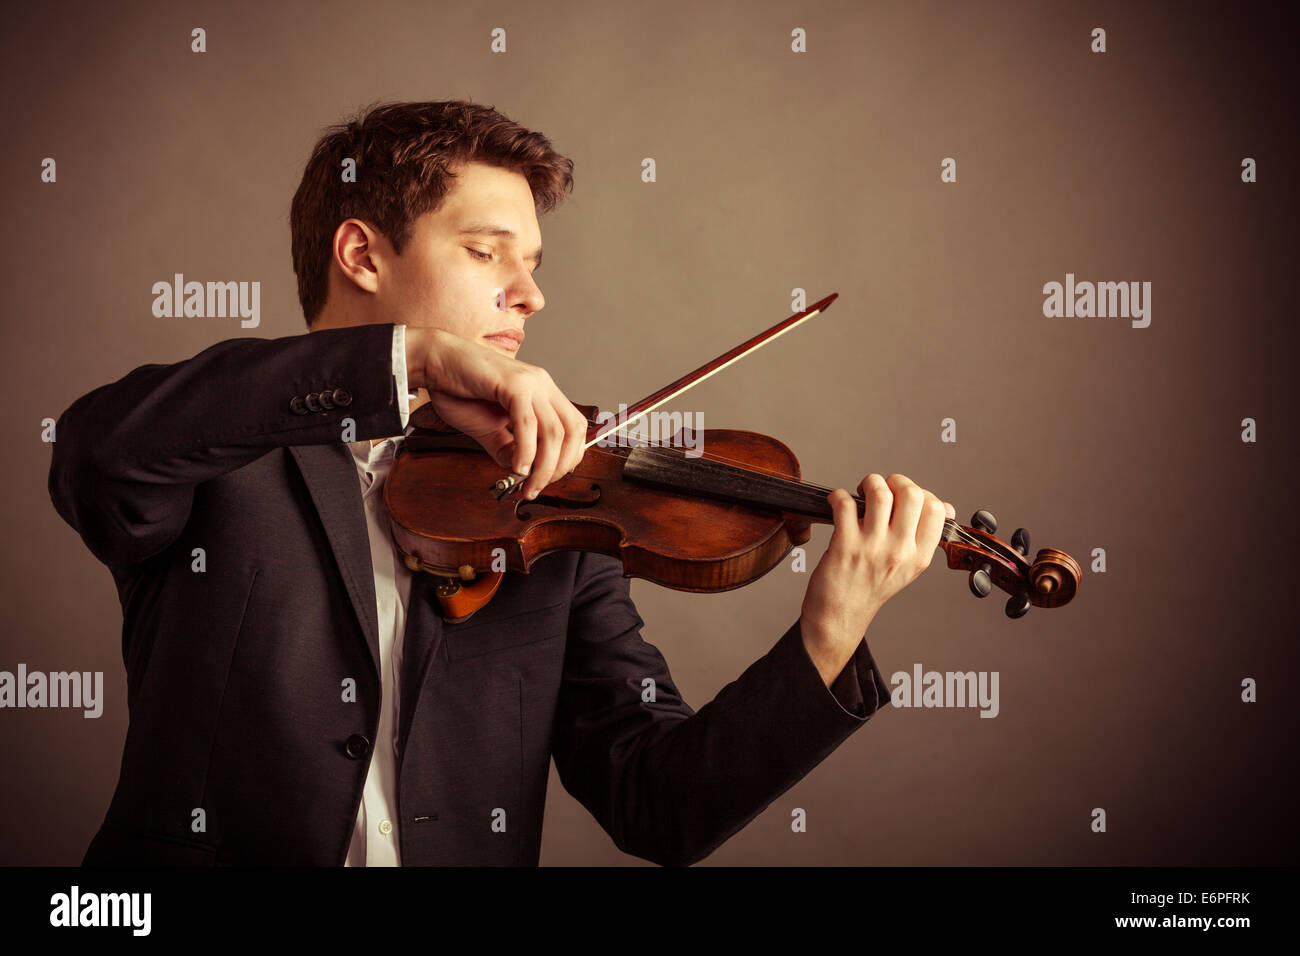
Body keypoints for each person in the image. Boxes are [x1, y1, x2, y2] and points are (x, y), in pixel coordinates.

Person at [48, 100, 955, 866]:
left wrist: (830, 634)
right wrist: (409, 357)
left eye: (533, 265)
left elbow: (659, 802)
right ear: (363, 255)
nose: (529, 295)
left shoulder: (549, 493)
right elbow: (96, 452)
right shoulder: (219, 445)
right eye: (488, 253)